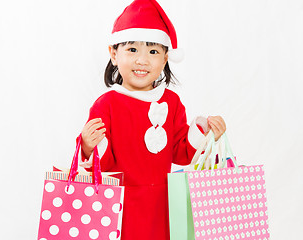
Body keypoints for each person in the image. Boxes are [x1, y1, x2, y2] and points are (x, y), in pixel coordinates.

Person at [79, 0, 226, 239]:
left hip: (163, 205)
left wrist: (204, 130)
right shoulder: (106, 104)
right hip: (118, 207)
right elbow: (102, 166)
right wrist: (88, 144)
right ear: (114, 54)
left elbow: (180, 153)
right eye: (132, 49)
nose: (142, 60)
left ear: (166, 59)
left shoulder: (172, 102)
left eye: (153, 51)